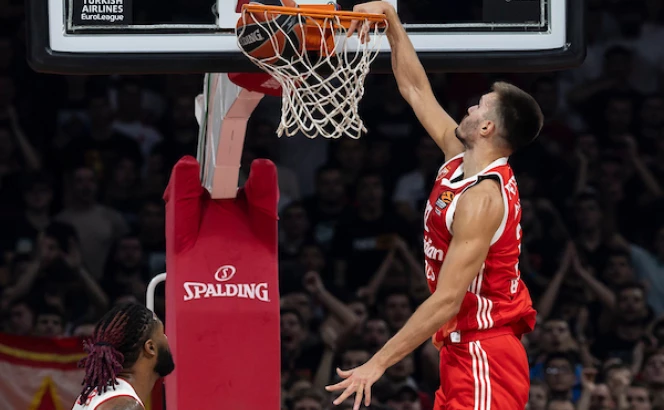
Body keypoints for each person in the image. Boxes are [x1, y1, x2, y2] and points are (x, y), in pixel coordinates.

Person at [325, 2, 543, 410]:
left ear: (486, 128)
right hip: (460, 352)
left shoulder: (482, 200)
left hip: (486, 355)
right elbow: (415, 89)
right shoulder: (457, 156)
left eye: (477, 106)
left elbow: (447, 299)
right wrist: (392, 22)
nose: (468, 108)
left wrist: (378, 363)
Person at [72, 303, 175, 410]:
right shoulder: (124, 405)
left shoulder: (101, 395)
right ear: (150, 348)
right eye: (162, 333)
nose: (166, 338)